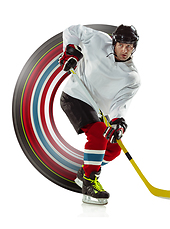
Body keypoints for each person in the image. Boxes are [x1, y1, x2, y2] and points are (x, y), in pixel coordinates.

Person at [59, 24, 140, 205]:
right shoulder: (97, 40)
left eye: (130, 46)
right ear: (114, 41)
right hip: (74, 96)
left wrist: (118, 123)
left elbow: (120, 104)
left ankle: (85, 172)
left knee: (113, 148)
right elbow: (73, 30)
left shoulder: (131, 77)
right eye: (122, 45)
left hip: (96, 109)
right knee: (97, 134)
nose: (125, 50)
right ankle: (89, 184)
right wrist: (71, 50)